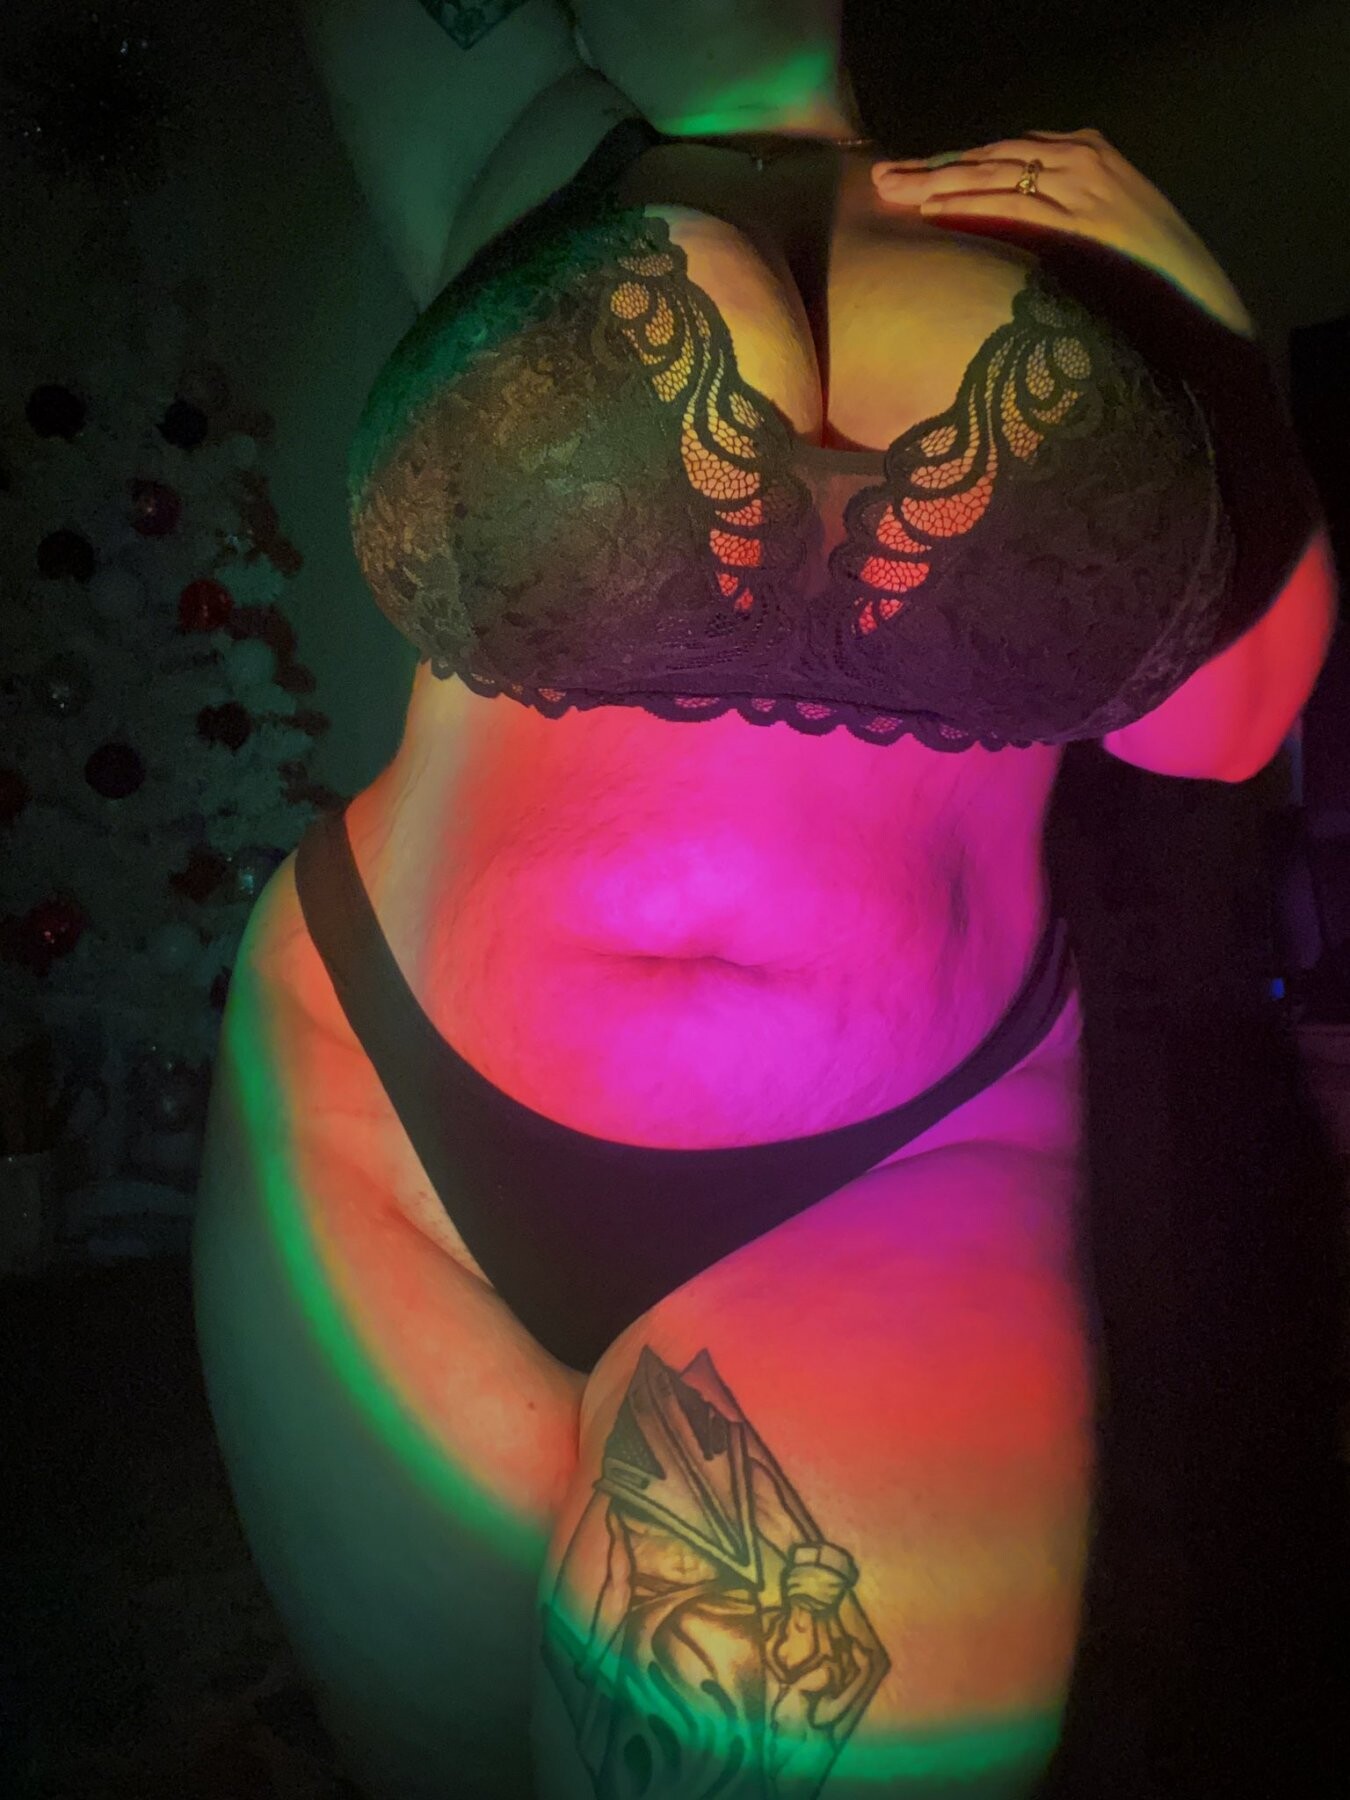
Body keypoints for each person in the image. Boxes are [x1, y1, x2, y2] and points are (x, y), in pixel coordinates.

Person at [192, 4, 1336, 1797]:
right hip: (372, 1107)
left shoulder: (1055, 222)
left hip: (896, 1178)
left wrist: (1199, 314)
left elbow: (1224, 726)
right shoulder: (516, 141)